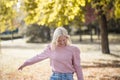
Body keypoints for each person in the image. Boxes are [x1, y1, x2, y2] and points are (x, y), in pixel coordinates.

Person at [18, 27, 84, 80]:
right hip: (55, 77)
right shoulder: (51, 48)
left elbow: (77, 66)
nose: (62, 42)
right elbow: (38, 57)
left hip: (68, 77)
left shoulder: (73, 49)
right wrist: (25, 63)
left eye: (64, 40)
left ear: (67, 38)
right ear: (55, 39)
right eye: (59, 40)